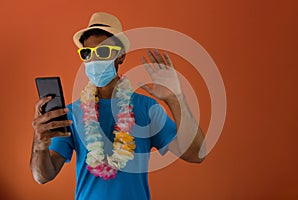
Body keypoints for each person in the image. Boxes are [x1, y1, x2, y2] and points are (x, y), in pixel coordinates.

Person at [30, 12, 205, 200]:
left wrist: (175, 98)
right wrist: (39, 144)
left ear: (121, 56)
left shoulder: (146, 108)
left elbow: (196, 154)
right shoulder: (72, 113)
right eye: (88, 53)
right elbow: (42, 175)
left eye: (104, 52)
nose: (95, 60)